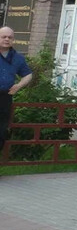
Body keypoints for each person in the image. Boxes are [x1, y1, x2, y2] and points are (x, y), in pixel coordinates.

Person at [0, 26, 34, 158]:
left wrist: (19, 85)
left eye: (10, 37)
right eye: (3, 37)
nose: (7, 39)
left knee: (2, 131)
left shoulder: (17, 58)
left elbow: (28, 74)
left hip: (5, 97)